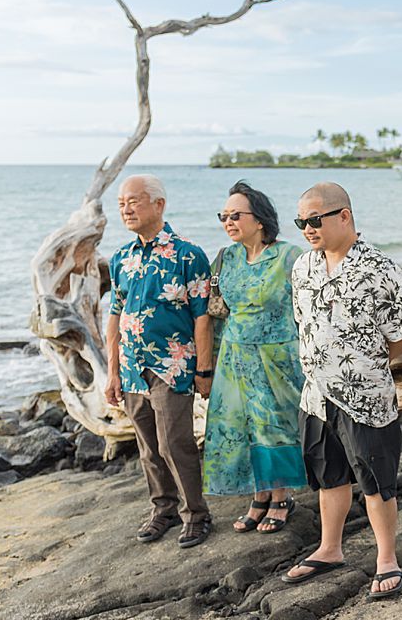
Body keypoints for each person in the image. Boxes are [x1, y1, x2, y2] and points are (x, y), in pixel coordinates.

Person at [282, 182, 402, 599]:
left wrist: (366, 362)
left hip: (366, 395)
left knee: (376, 479)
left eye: (315, 220)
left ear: (344, 216)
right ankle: (330, 548)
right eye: (301, 222)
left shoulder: (382, 269)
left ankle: (386, 559)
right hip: (316, 394)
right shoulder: (303, 267)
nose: (307, 228)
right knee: (328, 474)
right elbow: (302, 324)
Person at [105, 174, 214, 548]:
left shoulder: (189, 255)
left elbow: (203, 317)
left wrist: (204, 369)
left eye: (133, 201)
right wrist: (112, 371)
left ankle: (196, 514)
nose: (126, 209)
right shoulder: (121, 258)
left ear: (159, 205)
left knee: (174, 444)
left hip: (172, 366)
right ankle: (163, 509)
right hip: (132, 368)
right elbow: (115, 316)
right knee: (148, 447)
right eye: (121, 203)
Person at [202, 180, 307, 533]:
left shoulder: (289, 256)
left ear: (259, 219)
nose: (228, 221)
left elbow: (311, 305)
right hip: (234, 357)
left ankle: (282, 497)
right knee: (240, 427)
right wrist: (208, 365)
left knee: (275, 427)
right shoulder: (225, 258)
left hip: (277, 356)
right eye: (223, 216)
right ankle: (259, 496)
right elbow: (215, 312)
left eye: (235, 215)